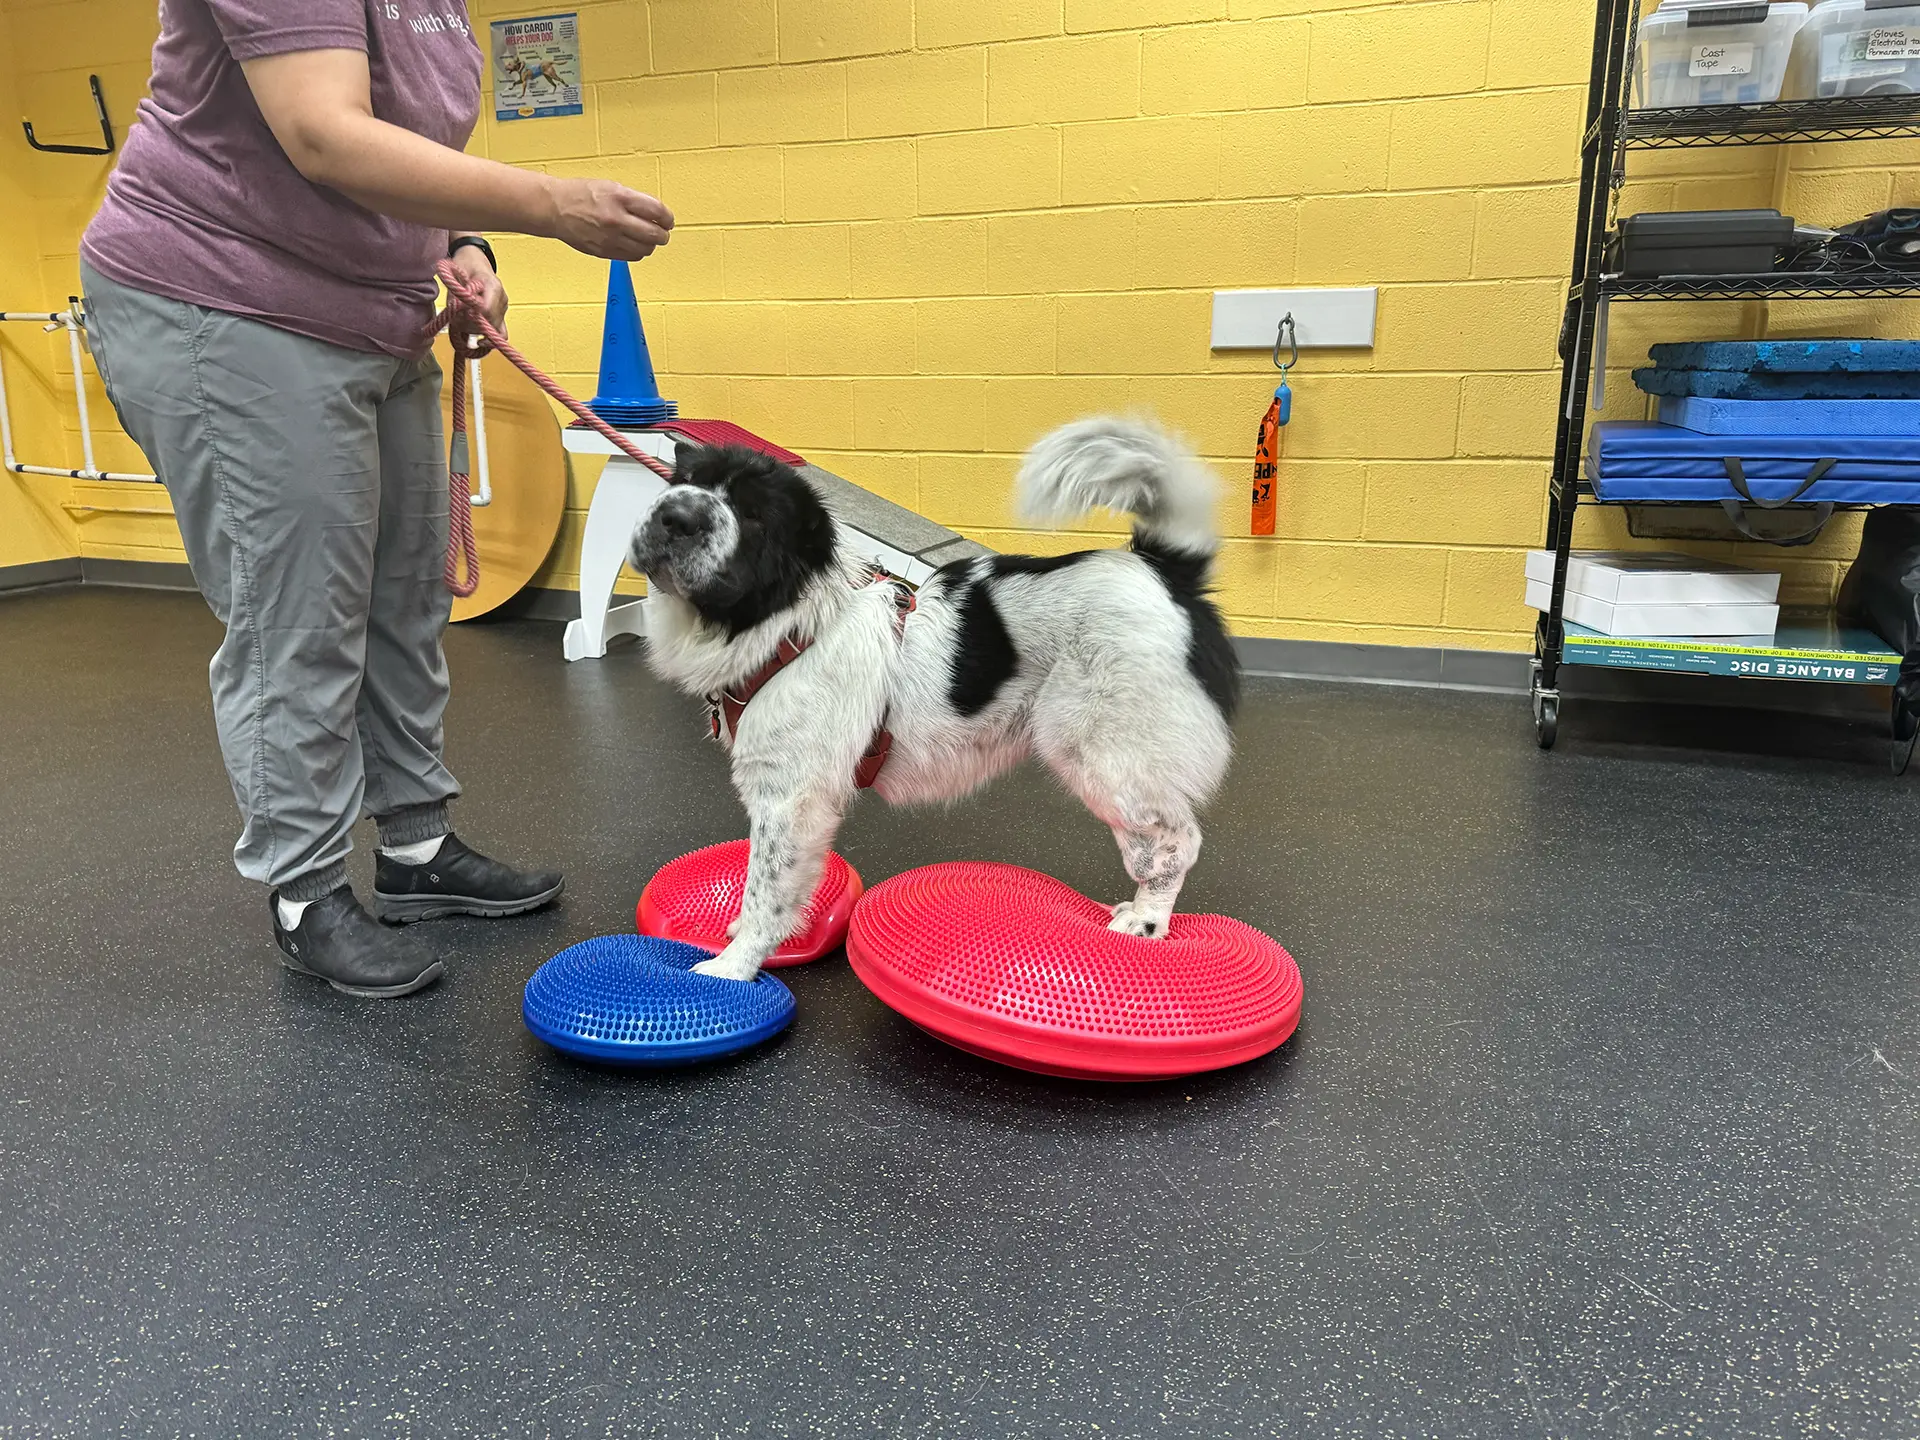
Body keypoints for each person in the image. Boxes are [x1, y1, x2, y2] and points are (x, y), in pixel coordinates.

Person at [79, 1, 674, 999]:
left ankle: (414, 848)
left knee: (404, 594)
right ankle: (307, 895)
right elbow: (322, 131)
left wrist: (470, 247)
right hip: (224, 299)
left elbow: (404, 139)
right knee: (299, 614)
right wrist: (551, 204)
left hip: (372, 312)